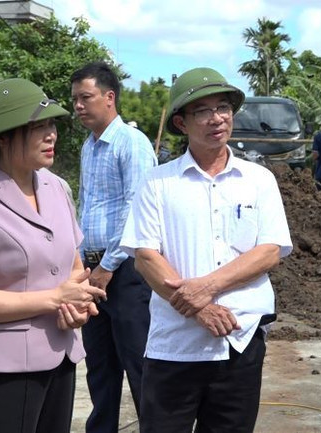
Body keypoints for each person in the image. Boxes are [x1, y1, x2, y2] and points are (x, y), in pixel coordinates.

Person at [120, 67, 292, 433]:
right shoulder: (158, 183)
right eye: (203, 111)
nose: (217, 119)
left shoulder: (259, 180)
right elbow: (146, 258)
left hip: (240, 342)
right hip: (174, 347)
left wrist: (207, 288)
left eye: (223, 108)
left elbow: (269, 251)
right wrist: (198, 307)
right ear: (181, 123)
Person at [0, 78, 107, 433]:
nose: (51, 135)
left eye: (51, 124)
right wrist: (54, 299)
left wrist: (75, 303)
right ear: (1, 135)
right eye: (37, 126)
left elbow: (73, 269)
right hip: (0, 370)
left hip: (60, 355)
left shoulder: (56, 187)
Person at [70, 62, 158, 432]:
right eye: (74, 99)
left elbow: (134, 208)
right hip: (92, 272)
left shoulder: (131, 144)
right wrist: (82, 264)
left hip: (125, 273)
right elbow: (84, 204)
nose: (77, 106)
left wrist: (107, 266)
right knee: (100, 367)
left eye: (84, 97)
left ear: (109, 98)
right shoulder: (89, 147)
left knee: (139, 364)